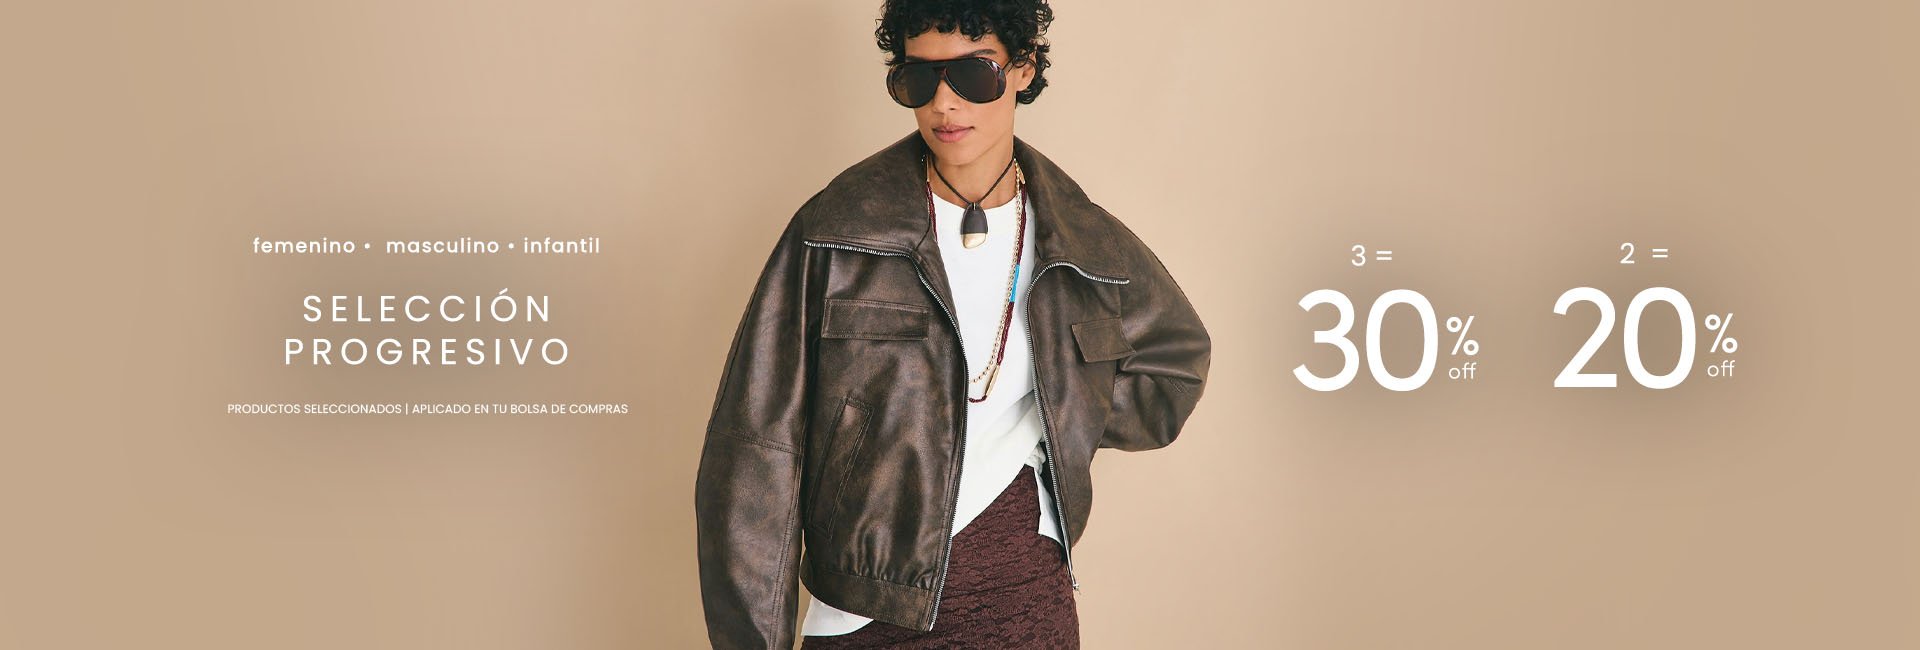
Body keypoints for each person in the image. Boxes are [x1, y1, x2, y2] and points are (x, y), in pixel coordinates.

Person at [694, 1, 1211, 647]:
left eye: (973, 75)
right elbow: (754, 452)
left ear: (1022, 69)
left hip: (1030, 602)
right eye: (919, 78)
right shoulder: (839, 230)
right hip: (869, 611)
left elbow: (1174, 361)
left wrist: (1065, 417)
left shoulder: (1080, 238)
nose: (944, 103)